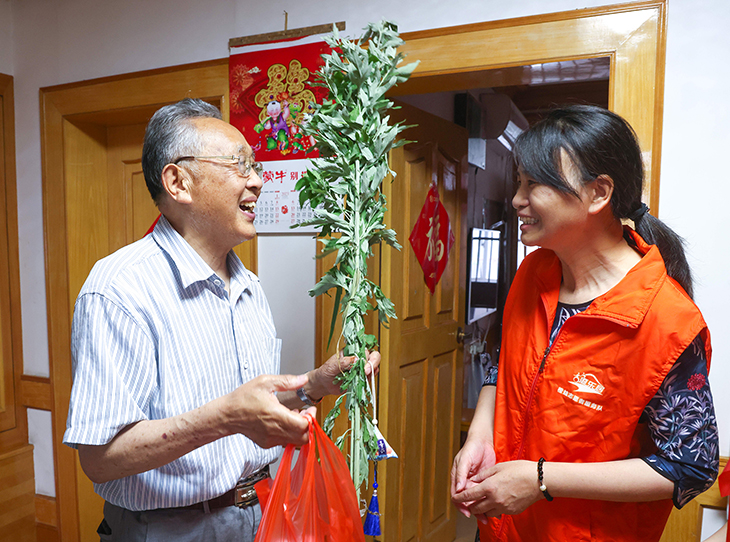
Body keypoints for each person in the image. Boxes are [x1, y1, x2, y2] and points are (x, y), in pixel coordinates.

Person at [63, 98, 378, 542]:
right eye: (240, 165)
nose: (258, 181)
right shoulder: (120, 289)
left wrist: (313, 385)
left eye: (256, 166)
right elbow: (100, 458)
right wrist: (224, 418)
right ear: (179, 181)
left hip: (260, 513)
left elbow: (253, 413)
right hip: (170, 529)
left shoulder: (248, 285)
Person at [450, 105, 718, 541]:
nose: (518, 200)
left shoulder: (666, 320)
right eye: (519, 182)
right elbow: (507, 363)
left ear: (598, 193)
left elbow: (691, 465)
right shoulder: (533, 273)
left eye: (534, 183)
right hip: (503, 528)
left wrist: (540, 480)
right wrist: (479, 435)